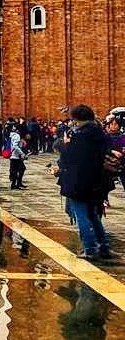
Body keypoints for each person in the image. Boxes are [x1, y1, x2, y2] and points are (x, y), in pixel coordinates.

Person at [57, 104, 112, 260]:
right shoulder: (100, 134)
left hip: (78, 182)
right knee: (93, 214)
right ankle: (103, 246)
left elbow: (69, 158)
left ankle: (89, 248)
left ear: (78, 119)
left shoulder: (79, 136)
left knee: (81, 215)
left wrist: (66, 144)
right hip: (96, 180)